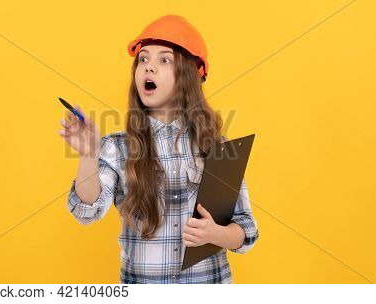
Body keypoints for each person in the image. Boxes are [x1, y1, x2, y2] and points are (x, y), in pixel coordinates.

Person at [58, 15, 259, 284]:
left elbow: (247, 228)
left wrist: (216, 235)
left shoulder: (216, 146)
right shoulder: (117, 148)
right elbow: (86, 211)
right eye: (143, 59)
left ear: (188, 76)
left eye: (164, 60)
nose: (148, 68)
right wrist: (88, 154)